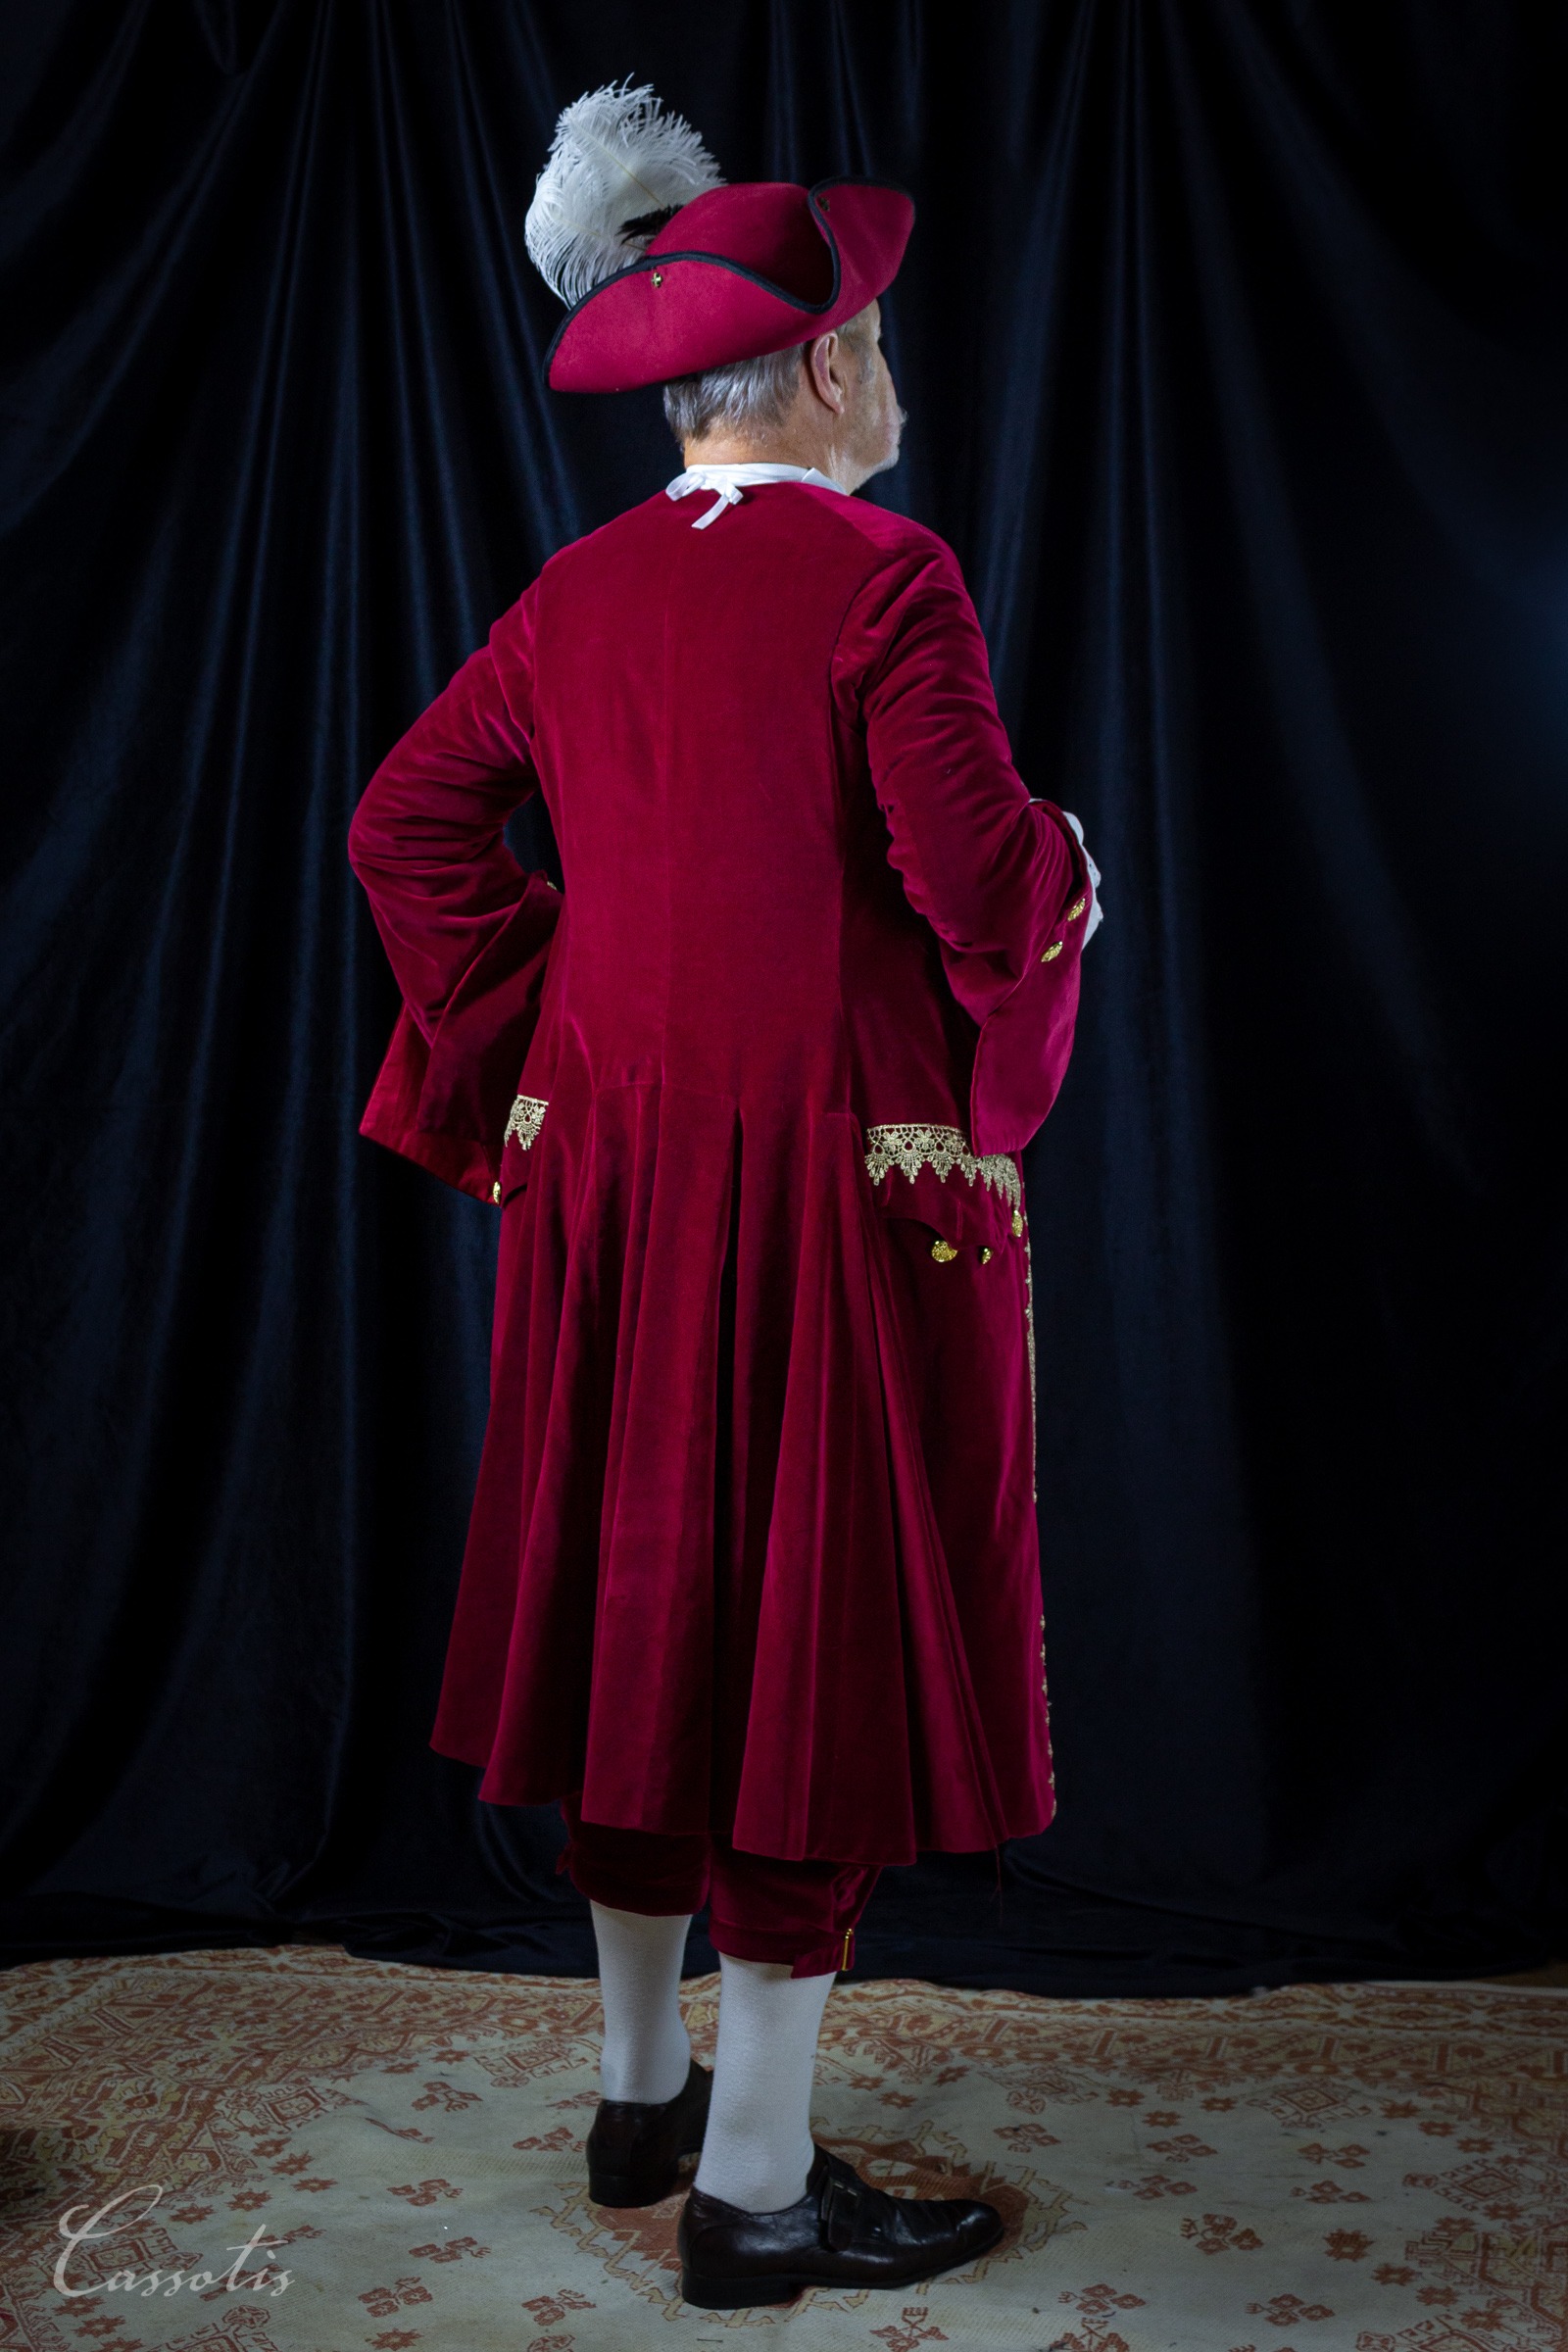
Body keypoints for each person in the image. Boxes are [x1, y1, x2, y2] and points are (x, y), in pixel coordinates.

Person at [348, 79, 1100, 2313]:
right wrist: (1072, 867)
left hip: (612, 1205)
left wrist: (556, 1041)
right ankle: (756, 2194)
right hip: (830, 1209)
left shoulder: (574, 593)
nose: (893, 372)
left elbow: (404, 825)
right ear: (830, 366)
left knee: (642, 1625)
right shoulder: (886, 575)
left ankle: (641, 2095)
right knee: (805, 1656)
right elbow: (983, 888)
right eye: (880, 339)